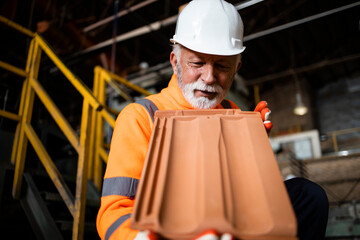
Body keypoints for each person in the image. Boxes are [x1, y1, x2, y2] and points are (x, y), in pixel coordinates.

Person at [96, 0, 329, 239]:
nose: (208, 78)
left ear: (237, 68)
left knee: (308, 196)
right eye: (197, 63)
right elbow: (115, 210)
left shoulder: (233, 111)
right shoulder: (142, 117)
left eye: (222, 66)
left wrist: (255, 148)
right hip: (173, 227)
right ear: (176, 63)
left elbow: (248, 193)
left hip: (230, 219)